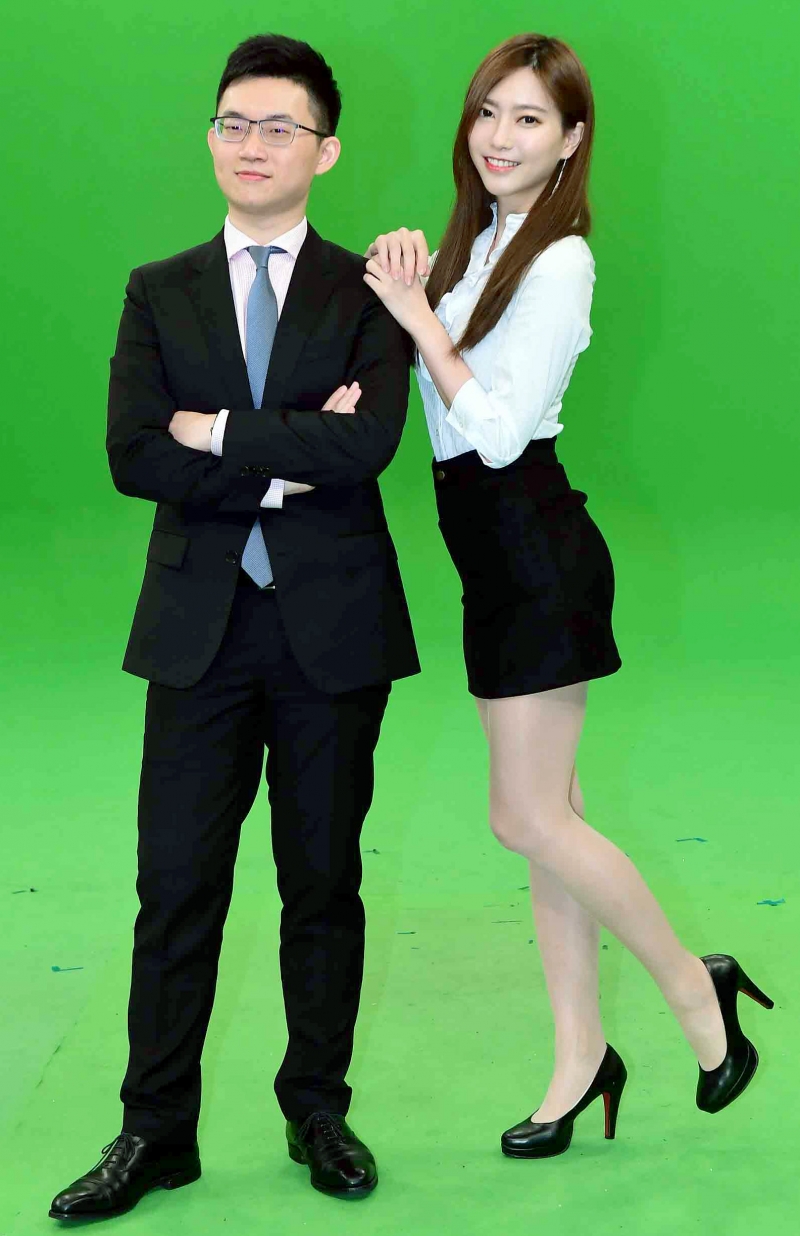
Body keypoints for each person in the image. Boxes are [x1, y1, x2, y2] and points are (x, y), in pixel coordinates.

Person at [364, 32, 773, 1159]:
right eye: (488, 111)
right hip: (490, 557)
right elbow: (439, 402)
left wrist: (417, 319)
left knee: (525, 818)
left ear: (570, 139)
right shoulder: (480, 241)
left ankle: (695, 989)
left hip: (533, 550)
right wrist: (411, 301)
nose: (499, 136)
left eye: (529, 119)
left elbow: (497, 434)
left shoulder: (558, 260)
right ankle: (579, 1057)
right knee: (555, 825)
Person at [49, 33, 419, 1221]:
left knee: (322, 883)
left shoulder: (367, 289)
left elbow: (366, 446)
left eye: (276, 127)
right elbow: (131, 453)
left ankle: (317, 1109)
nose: (249, 145)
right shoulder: (158, 290)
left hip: (333, 632)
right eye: (231, 123)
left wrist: (211, 431)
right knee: (174, 887)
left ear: (325, 150)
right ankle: (154, 1132)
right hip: (196, 631)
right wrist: (287, 454)